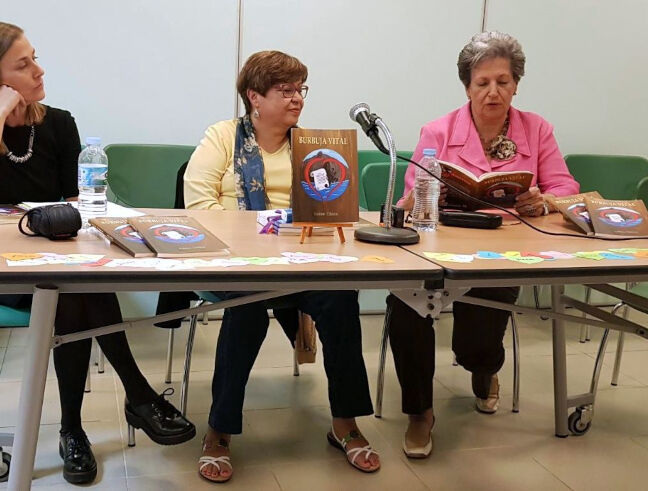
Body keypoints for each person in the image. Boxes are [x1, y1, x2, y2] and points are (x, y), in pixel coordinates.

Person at [0, 21, 195, 485]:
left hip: (57, 259)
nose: (39, 70)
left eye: (35, 56)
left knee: (73, 291)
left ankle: (76, 428)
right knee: (74, 292)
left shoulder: (58, 123)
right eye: (23, 64)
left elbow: (79, 204)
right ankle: (133, 398)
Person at [184, 50, 379, 483]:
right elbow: (199, 209)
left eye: (300, 90)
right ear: (255, 96)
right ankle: (218, 430)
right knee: (249, 308)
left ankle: (344, 423)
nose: (297, 100)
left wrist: (330, 212)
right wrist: (267, 229)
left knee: (340, 298)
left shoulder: (313, 145)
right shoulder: (222, 137)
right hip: (234, 264)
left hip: (301, 262)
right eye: (285, 91)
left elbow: (328, 204)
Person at [392, 31, 580, 459]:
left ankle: (483, 368)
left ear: (516, 84)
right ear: (467, 86)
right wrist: (427, 194)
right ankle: (419, 412)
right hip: (436, 248)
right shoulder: (437, 131)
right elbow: (409, 195)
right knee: (405, 307)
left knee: (476, 343)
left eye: (503, 81)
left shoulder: (537, 128)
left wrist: (544, 199)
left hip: (502, 251)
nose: (493, 92)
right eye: (483, 83)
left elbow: (566, 188)